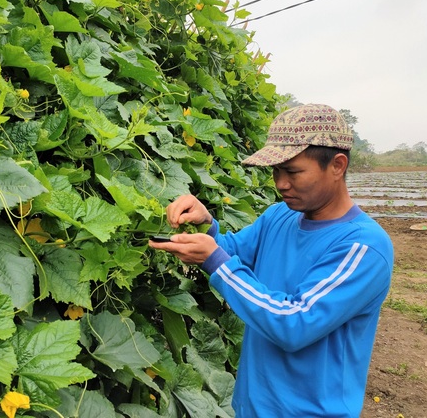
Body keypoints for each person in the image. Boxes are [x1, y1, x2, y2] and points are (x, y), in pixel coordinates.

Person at [149, 103, 394, 418]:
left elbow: (294, 322)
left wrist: (216, 260)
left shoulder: (363, 248)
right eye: (276, 171)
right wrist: (205, 224)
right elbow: (231, 251)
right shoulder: (281, 215)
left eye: (292, 171)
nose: (280, 184)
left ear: (337, 165)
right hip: (253, 406)